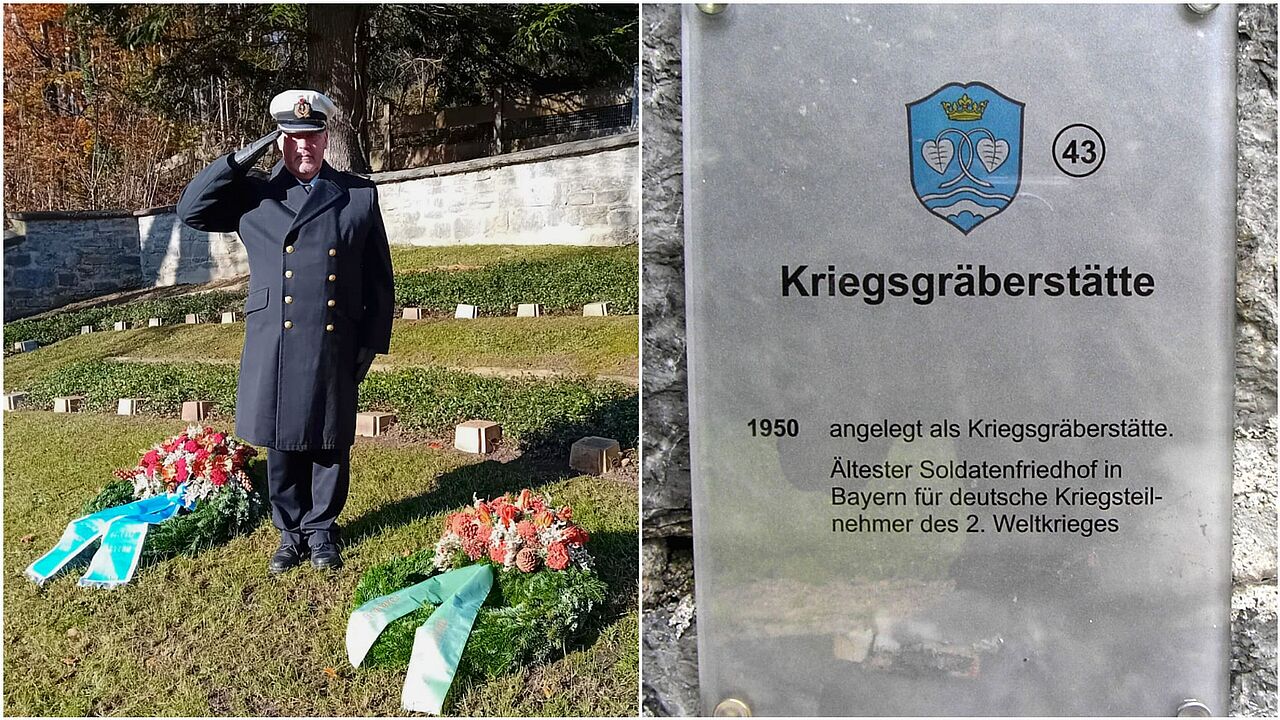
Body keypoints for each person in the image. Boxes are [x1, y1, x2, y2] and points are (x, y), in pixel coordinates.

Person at [177, 90, 394, 574]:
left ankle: (321, 531)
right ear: (280, 141)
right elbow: (190, 210)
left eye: (312, 136)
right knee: (281, 437)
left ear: (325, 136)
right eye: (293, 138)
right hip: (274, 337)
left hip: (334, 334)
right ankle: (289, 532)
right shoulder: (254, 195)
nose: (304, 148)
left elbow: (380, 278)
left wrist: (372, 343)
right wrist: (241, 158)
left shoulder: (357, 194)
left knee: (329, 437)